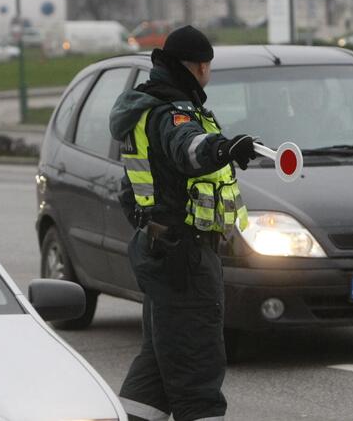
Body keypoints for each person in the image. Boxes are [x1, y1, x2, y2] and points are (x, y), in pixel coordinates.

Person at [109, 25, 256, 421]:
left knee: (157, 367)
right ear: (199, 66)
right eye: (207, 66)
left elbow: (131, 189)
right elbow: (189, 148)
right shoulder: (171, 113)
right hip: (186, 259)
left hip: (161, 252)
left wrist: (153, 226)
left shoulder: (142, 109)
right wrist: (224, 147)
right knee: (198, 370)